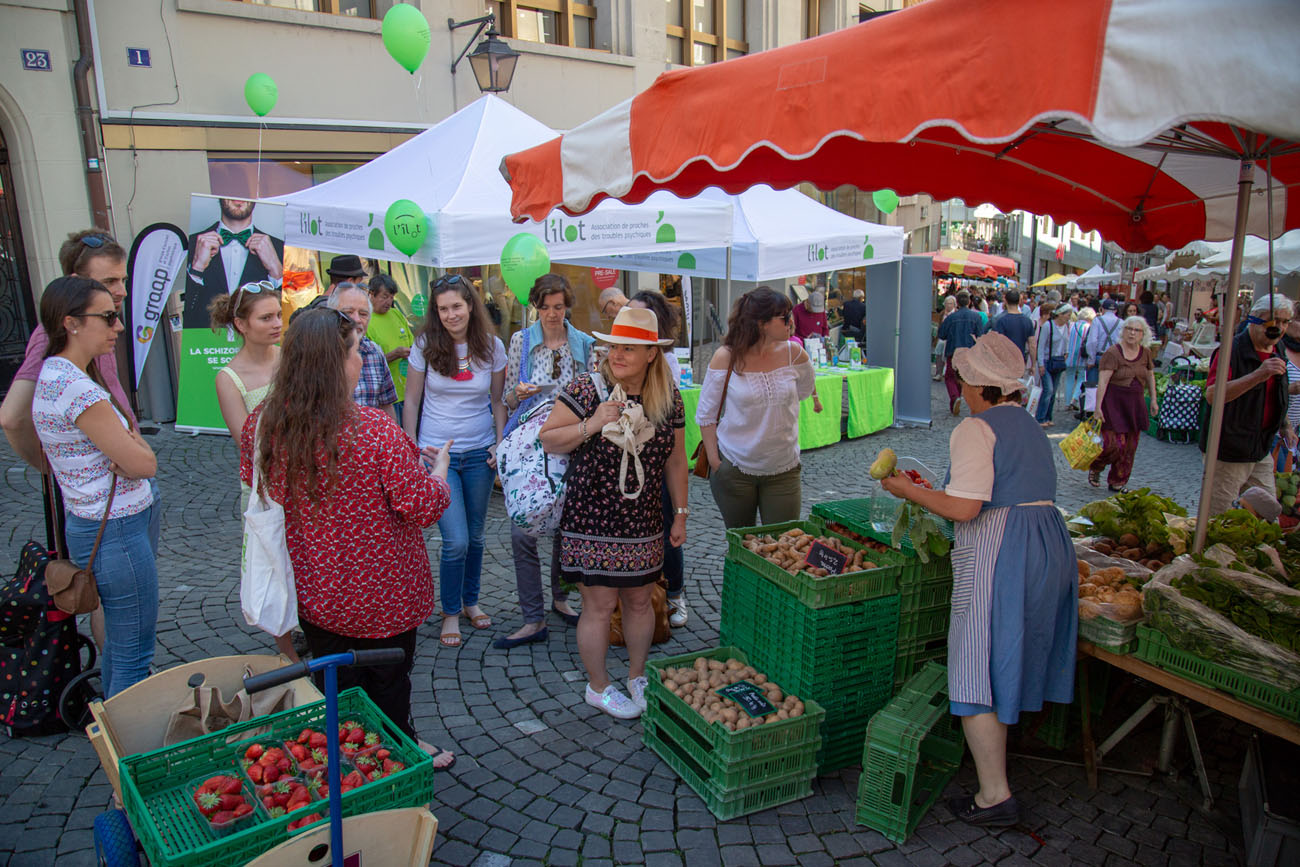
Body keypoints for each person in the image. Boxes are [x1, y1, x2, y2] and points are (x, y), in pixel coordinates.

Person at [240, 307, 456, 769]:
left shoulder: (264, 425)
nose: (362, 360)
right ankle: (393, 767)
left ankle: (346, 767)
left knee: (336, 690)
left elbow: (257, 482)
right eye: (357, 351)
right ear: (334, 363)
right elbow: (422, 506)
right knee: (389, 687)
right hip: (384, 593)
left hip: (317, 589)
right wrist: (439, 473)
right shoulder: (375, 430)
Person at [880, 331, 1076, 829]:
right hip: (1048, 544)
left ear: (978, 385)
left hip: (1002, 547)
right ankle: (997, 768)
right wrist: (936, 492)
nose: (960, 387)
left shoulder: (975, 428)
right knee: (1010, 654)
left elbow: (966, 509)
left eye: (963, 378)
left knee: (974, 663)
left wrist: (906, 491)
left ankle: (994, 795)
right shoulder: (1030, 424)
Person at [538, 306, 687, 720]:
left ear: (651, 354)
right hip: (591, 520)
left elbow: (676, 461)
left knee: (640, 602)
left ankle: (637, 676)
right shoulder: (589, 389)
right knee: (599, 607)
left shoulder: (668, 397)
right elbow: (549, 438)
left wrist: (680, 513)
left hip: (643, 521)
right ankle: (599, 686)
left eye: (628, 348)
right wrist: (592, 423)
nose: (616, 355)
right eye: (613, 346)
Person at [32, 277, 159, 698]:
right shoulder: (75, 386)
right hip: (115, 530)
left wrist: (131, 449)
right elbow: (144, 464)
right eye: (107, 317)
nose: (118, 326)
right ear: (70, 323)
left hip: (98, 523)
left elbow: (134, 458)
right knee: (132, 652)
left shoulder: (57, 373)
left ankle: (113, 727)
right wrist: (135, 448)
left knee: (122, 648)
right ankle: (126, 737)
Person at [404, 274, 507, 648]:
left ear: (470, 306)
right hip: (438, 456)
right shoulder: (425, 345)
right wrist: (411, 449)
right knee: (456, 540)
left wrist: (500, 444)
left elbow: (497, 401)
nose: (450, 315)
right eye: (443, 309)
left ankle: (470, 601)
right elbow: (411, 400)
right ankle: (449, 611)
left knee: (476, 536)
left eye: (456, 306)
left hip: (479, 453)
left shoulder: (492, 346)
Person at [495, 274, 594, 649]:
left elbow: (593, 395)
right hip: (529, 446)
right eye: (545, 307)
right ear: (535, 306)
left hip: (570, 440)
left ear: (568, 306)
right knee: (523, 529)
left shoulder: (583, 343)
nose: (552, 314)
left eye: (559, 307)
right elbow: (506, 399)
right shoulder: (521, 341)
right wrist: (518, 394)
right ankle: (532, 617)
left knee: (566, 522)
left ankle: (560, 597)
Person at [697, 287, 817, 528]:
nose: (791, 322)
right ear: (762, 324)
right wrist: (715, 462)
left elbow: (804, 390)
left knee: (785, 541)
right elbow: (706, 414)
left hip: (784, 468)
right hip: (735, 468)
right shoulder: (726, 356)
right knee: (741, 542)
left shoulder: (795, 354)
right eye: (784, 317)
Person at [1202, 294, 1297, 515]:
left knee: (1268, 512)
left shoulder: (1278, 349)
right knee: (1219, 514)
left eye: (1285, 322)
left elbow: (1274, 393)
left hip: (1260, 447)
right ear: (1255, 318)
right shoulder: (1231, 350)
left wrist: (1286, 425)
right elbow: (1212, 395)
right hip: (1228, 449)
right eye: (1274, 320)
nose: (1280, 327)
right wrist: (1258, 375)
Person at [628, 290, 689, 626]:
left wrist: (682, 513)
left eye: (637, 315)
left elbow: (665, 420)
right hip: (625, 465)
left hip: (656, 462)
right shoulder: (618, 356)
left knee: (666, 531)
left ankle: (675, 592)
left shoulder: (666, 362)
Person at [184, 198, 283, 328]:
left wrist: (276, 270)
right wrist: (197, 268)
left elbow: (289, 315)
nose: (239, 197)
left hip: (259, 338)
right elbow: (184, 311)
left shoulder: (280, 248)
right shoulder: (191, 244)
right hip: (204, 339)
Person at [1089, 317, 1159, 491]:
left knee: (1129, 447)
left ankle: (1118, 480)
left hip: (1134, 405)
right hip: (1113, 403)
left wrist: (1154, 399)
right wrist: (1097, 407)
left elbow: (1150, 375)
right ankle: (1096, 466)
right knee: (1113, 445)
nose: (1132, 333)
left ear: (1143, 334)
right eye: (1129, 329)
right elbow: (1103, 381)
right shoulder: (1113, 353)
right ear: (1123, 331)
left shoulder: (1146, 353)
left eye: (1136, 330)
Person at [328, 283, 398, 421]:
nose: (357, 319)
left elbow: (386, 407)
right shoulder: (318, 351)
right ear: (331, 314)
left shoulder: (374, 352)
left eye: (363, 314)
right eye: (348, 312)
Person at [365, 274, 415, 420]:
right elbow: (367, 365)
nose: (389, 302)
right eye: (385, 296)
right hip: (385, 397)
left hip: (407, 391)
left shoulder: (396, 314)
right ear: (371, 294)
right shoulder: (365, 321)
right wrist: (395, 354)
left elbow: (411, 343)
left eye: (392, 297)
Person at [937, 291, 986, 415]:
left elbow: (941, 334)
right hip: (969, 352)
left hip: (954, 350)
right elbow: (980, 336)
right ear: (969, 302)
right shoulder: (976, 317)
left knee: (950, 377)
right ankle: (959, 399)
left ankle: (955, 397)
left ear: (957, 303)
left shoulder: (951, 317)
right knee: (962, 377)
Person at [1035, 304, 1071, 427]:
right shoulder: (1047, 326)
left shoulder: (1066, 326)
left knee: (1054, 391)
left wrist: (1066, 352)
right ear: (1060, 314)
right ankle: (1040, 418)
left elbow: (1066, 341)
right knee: (1048, 390)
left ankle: (1048, 417)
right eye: (1067, 314)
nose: (1069, 317)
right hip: (1047, 361)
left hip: (1058, 361)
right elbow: (1041, 346)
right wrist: (1040, 364)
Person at [1084, 298, 1123, 387]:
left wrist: (1091, 360)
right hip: (1114, 358)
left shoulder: (1097, 320)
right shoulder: (1121, 323)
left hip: (1099, 356)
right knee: (1110, 386)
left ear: (1102, 309)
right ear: (1116, 310)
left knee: (1093, 387)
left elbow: (1092, 341)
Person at [1062, 306, 1095, 409]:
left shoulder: (1071, 325)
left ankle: (1067, 403)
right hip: (1082, 357)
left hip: (1069, 357)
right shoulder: (1089, 327)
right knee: (1081, 378)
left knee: (1069, 378)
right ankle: (1074, 399)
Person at [991, 289, 1034, 360]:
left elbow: (997, 344)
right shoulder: (1028, 321)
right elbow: (1032, 345)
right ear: (1019, 301)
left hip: (1005, 360)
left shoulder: (1001, 321)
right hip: (1020, 360)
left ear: (1006, 301)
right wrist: (1033, 363)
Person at [934, 295, 958, 381]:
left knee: (949, 355)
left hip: (952, 338)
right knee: (939, 352)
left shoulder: (956, 314)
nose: (948, 305)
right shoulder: (942, 314)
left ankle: (947, 373)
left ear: (954, 304)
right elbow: (939, 326)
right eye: (947, 303)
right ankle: (938, 373)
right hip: (942, 337)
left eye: (950, 303)